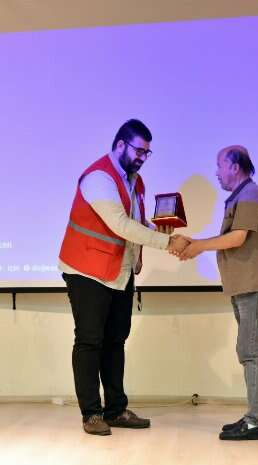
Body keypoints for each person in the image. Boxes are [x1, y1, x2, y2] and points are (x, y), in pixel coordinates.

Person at [59, 119, 189, 436]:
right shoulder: (99, 178)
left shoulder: (134, 181)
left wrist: (155, 234)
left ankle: (115, 410)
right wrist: (167, 243)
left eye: (147, 152)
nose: (143, 157)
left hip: (119, 271)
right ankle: (91, 414)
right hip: (87, 270)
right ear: (120, 144)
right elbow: (120, 225)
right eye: (139, 151)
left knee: (115, 341)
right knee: (90, 341)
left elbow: (136, 222)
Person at [177, 145, 258, 440]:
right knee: (250, 350)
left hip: (256, 286)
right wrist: (197, 244)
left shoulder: (250, 195)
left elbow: (237, 238)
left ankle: (257, 422)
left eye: (219, 165)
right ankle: (255, 417)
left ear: (235, 167)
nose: (217, 172)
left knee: (252, 351)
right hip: (247, 286)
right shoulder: (242, 196)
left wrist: (197, 246)